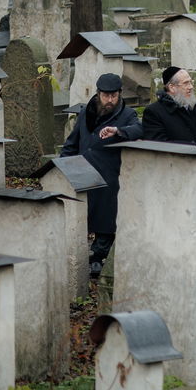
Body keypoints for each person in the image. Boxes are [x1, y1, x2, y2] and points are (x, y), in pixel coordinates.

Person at [60, 72, 142, 277]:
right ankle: (81, 251)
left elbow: (139, 130)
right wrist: (63, 166)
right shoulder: (86, 112)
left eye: (114, 96)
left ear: (120, 94)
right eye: (106, 96)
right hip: (83, 170)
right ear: (98, 94)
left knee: (106, 215)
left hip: (109, 173)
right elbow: (72, 142)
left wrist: (119, 131)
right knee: (82, 213)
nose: (110, 100)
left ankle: (99, 255)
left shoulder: (127, 114)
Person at [141, 66, 196, 144]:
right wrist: (194, 147)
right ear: (172, 87)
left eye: (190, 82)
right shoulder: (154, 112)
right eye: (186, 83)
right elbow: (158, 144)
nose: (191, 87)